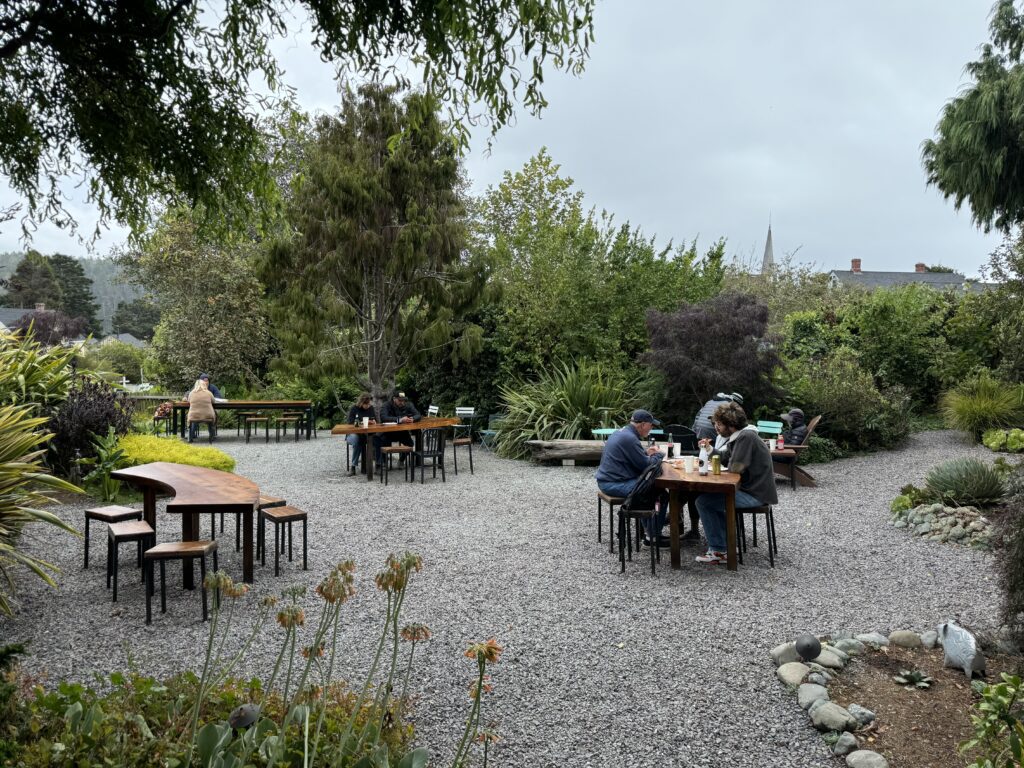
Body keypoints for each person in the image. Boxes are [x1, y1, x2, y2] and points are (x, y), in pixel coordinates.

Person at [693, 401, 777, 564]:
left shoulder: (746, 437)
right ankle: (727, 545)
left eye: (718, 424)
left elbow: (735, 467)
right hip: (750, 489)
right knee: (708, 498)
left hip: (755, 494)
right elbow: (726, 459)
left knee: (704, 502)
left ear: (729, 424)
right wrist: (710, 450)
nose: (715, 427)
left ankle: (719, 550)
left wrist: (723, 465)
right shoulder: (740, 436)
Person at [595, 409, 670, 547]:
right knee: (660, 494)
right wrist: (659, 454)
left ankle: (649, 532)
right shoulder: (630, 438)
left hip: (609, 480)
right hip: (613, 484)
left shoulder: (622, 432)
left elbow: (634, 457)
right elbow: (645, 465)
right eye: (650, 425)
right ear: (642, 425)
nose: (651, 428)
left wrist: (646, 452)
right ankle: (652, 538)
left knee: (651, 489)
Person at [376, 390, 421, 461]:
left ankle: (401, 460)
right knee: (380, 442)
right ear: (394, 399)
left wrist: (413, 419)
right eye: (400, 400)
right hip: (387, 433)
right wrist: (400, 419)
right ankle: (381, 463)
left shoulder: (408, 404)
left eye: (403, 400)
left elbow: (418, 415)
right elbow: (383, 418)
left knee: (410, 444)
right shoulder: (386, 405)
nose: (402, 402)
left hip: (402, 432)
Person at [346, 393, 376, 475]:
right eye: (366, 404)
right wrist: (363, 422)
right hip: (353, 433)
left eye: (369, 404)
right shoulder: (354, 409)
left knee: (378, 439)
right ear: (361, 402)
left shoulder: (371, 408)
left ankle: (378, 465)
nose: (367, 406)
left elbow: (375, 420)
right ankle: (353, 466)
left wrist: (373, 422)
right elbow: (350, 423)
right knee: (357, 441)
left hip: (366, 433)